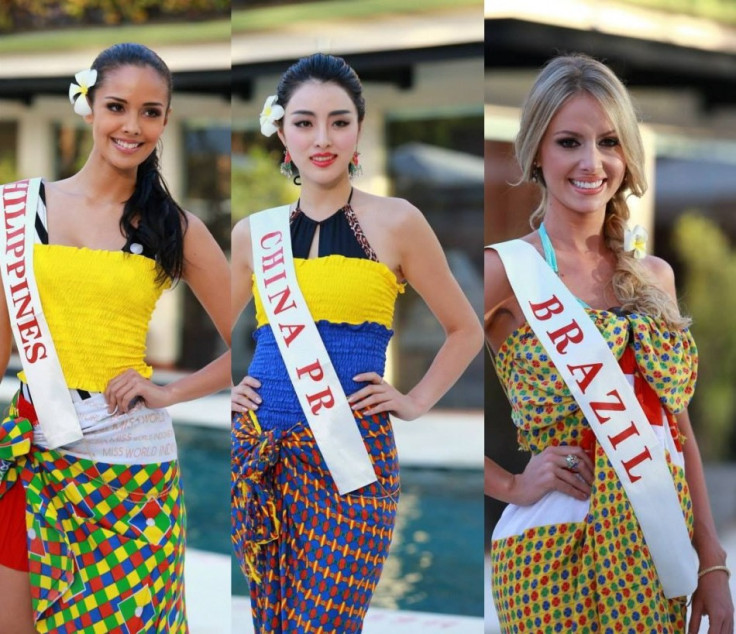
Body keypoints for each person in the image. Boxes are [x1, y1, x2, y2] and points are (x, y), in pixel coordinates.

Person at [231, 52, 483, 632]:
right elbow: (225, 329)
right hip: (262, 453)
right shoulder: (254, 234)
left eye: (339, 121)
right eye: (304, 122)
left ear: (359, 129)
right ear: (282, 132)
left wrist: (415, 402)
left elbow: (466, 329)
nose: (323, 138)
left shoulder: (397, 222)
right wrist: (233, 384)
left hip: (353, 460)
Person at [484, 54, 733, 633]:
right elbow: (425, 392)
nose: (591, 162)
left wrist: (713, 563)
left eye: (609, 142)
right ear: (537, 153)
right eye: (570, 141)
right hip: (553, 550)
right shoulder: (507, 270)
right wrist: (510, 484)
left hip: (658, 545)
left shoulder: (655, 277)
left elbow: (677, 428)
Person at [0, 42, 230, 633]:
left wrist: (171, 392)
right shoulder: (21, 210)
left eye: (150, 112)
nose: (132, 126)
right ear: (88, 106)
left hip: (131, 477)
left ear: (165, 121)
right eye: (117, 106)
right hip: (34, 458)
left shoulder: (173, 227)